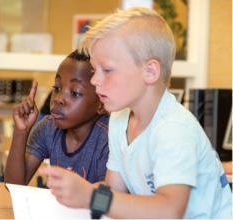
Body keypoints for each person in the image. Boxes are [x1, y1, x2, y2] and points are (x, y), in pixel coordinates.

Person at [40, 7, 232, 219]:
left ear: (150, 72)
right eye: (95, 70)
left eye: (107, 70)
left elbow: (169, 211)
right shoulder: (119, 120)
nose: (94, 80)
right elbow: (115, 190)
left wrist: (90, 197)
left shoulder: (174, 129)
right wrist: (76, 195)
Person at [4, 50, 109, 185]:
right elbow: (14, 186)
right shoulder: (48, 128)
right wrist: (21, 132)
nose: (58, 99)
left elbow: (108, 198)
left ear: (101, 104)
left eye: (74, 92)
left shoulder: (107, 139)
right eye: (57, 88)